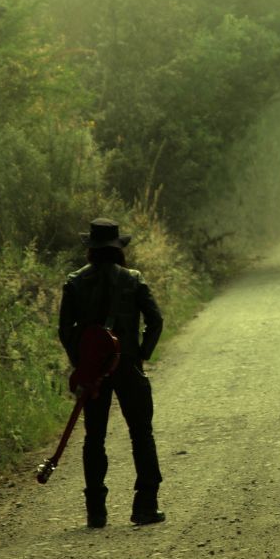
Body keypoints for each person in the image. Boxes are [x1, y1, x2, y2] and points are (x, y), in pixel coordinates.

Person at [59, 217, 164, 528]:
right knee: (141, 434)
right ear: (118, 248)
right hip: (128, 364)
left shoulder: (74, 282)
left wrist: (83, 362)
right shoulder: (133, 279)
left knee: (94, 437)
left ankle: (96, 511)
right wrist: (141, 354)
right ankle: (145, 506)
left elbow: (65, 329)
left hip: (94, 370)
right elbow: (155, 321)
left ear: (90, 249)